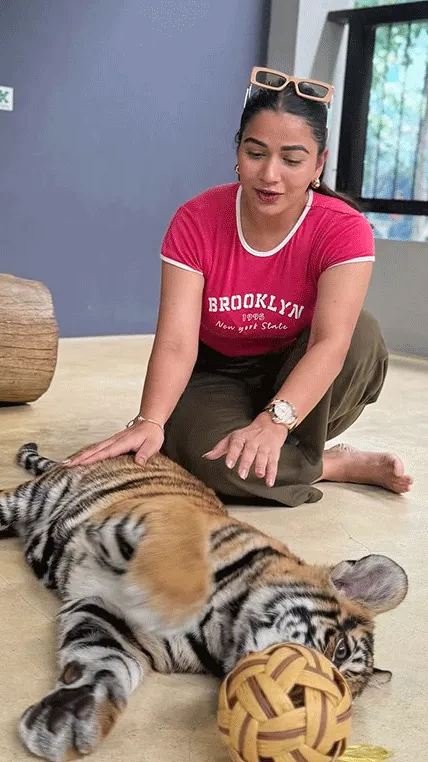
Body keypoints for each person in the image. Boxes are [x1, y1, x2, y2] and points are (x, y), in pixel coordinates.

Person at [65, 67, 412, 506]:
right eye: (256, 153)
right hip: (217, 373)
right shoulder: (196, 219)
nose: (270, 175)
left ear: (318, 164)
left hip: (298, 372)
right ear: (238, 152)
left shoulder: (343, 228)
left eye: (291, 159)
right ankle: (329, 464)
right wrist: (150, 420)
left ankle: (288, 446)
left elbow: (331, 344)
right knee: (215, 465)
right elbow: (175, 342)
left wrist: (275, 420)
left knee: (362, 335)